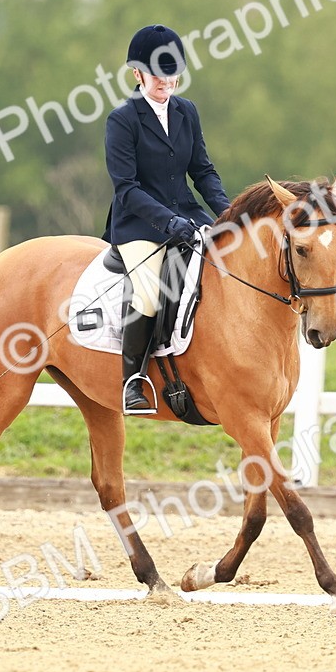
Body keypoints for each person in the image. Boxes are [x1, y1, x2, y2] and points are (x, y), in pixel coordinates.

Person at [102, 24, 231, 415]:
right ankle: (134, 382)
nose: (166, 81)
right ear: (137, 74)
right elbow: (126, 187)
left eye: (172, 72)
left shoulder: (186, 111)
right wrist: (168, 222)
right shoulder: (122, 119)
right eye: (157, 73)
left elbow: (203, 171)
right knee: (146, 290)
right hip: (139, 224)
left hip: (187, 216)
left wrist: (228, 214)